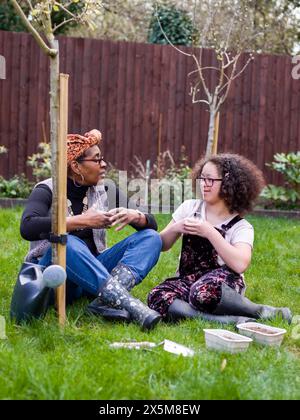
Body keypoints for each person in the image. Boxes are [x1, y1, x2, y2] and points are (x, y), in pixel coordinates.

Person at [20, 129, 162, 330]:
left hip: (91, 275)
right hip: (54, 279)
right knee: (67, 243)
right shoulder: (47, 190)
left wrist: (135, 216)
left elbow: (152, 224)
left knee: (151, 238)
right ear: (75, 166)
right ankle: (130, 304)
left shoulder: (104, 189)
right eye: (97, 160)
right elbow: (27, 226)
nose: (104, 164)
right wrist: (80, 221)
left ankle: (103, 303)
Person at [148, 153, 292, 324]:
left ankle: (261, 311)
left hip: (221, 286)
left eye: (211, 180)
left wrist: (210, 231)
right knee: (157, 296)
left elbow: (240, 264)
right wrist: (176, 227)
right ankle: (224, 321)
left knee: (201, 293)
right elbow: (163, 244)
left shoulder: (241, 227)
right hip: (189, 279)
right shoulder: (189, 208)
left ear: (228, 184)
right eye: (202, 179)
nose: (204, 185)